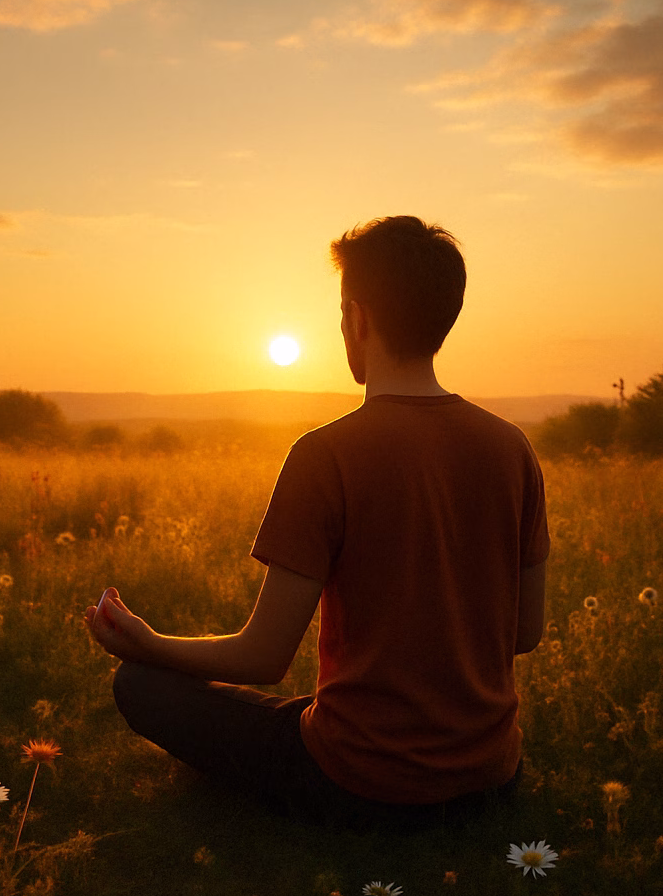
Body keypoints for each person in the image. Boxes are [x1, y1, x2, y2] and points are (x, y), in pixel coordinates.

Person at [86, 215, 550, 831]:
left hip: (358, 781)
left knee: (141, 687)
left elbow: (263, 657)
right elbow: (524, 633)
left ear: (355, 319)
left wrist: (149, 643)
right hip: (490, 774)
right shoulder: (511, 446)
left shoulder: (326, 455)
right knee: (287, 710)